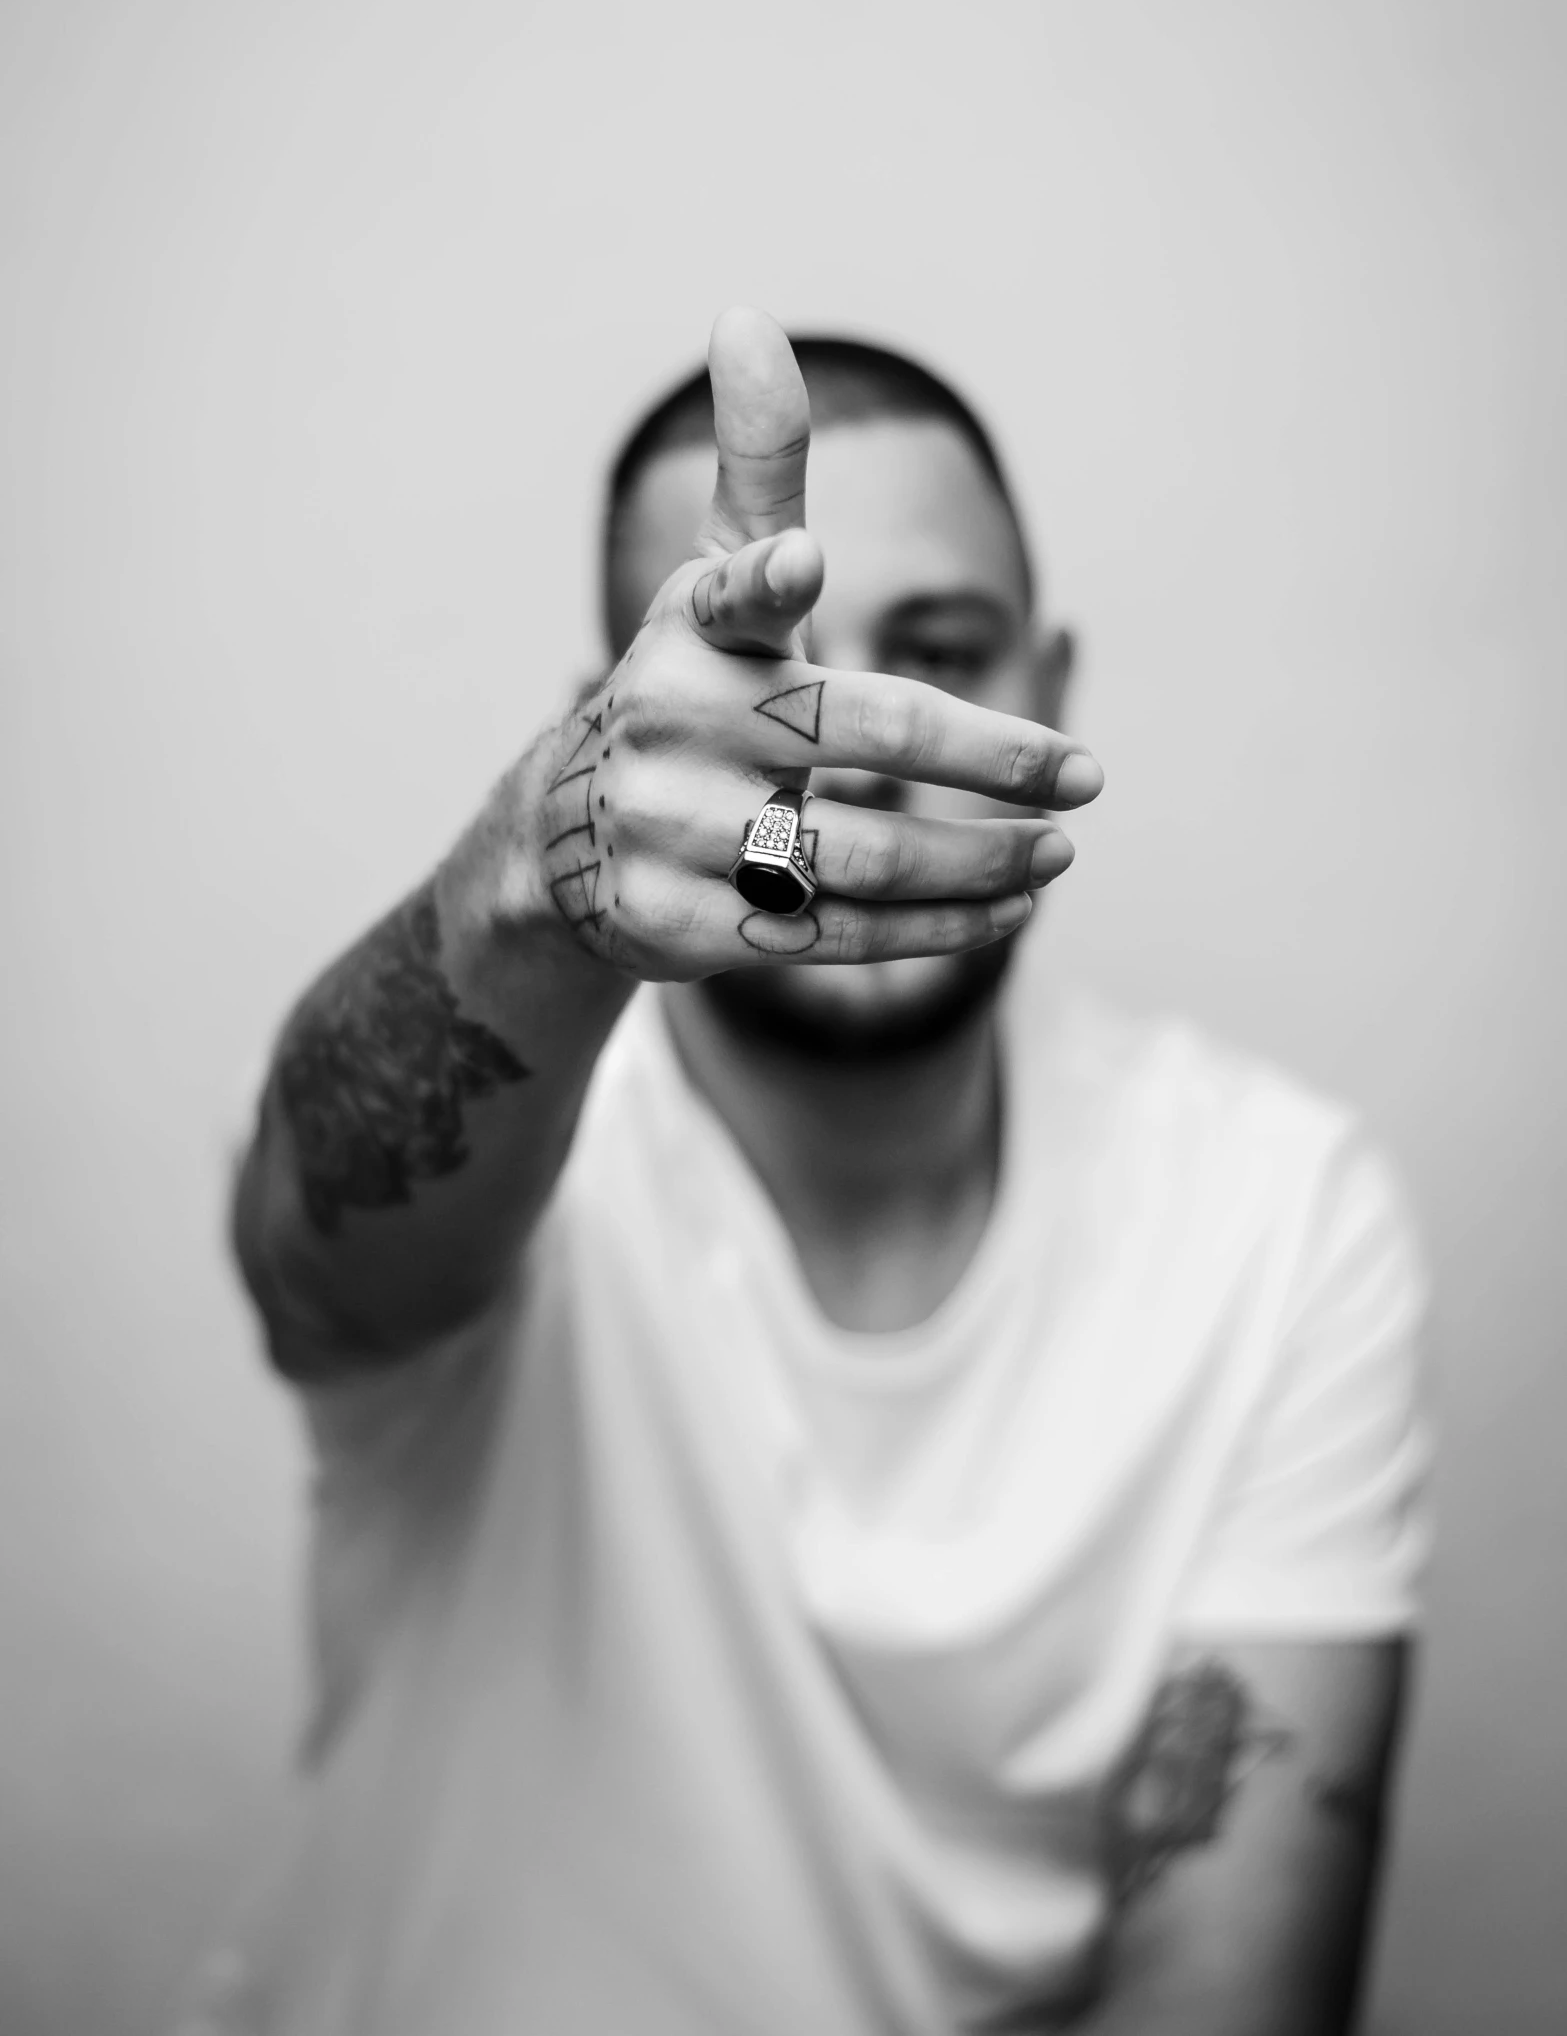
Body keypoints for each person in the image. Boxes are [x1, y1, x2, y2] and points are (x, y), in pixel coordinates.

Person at [196, 309, 1428, 2036]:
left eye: (940, 647)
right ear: (606, 733)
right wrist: (532, 885)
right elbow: (309, 1259)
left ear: (1052, 685)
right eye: (763, 672)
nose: (848, 738)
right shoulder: (524, 1127)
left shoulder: (1275, 1214)